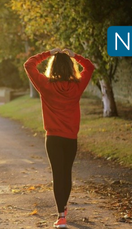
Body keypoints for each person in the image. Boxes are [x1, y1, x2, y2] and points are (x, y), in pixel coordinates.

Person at [23, 48, 95, 228]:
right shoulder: (77, 86)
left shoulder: (45, 85)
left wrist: (48, 53)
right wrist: (75, 56)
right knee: (66, 173)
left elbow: (28, 64)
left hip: (53, 138)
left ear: (52, 67)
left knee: (58, 174)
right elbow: (90, 67)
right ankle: (63, 207)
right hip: (70, 138)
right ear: (71, 68)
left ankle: (61, 216)